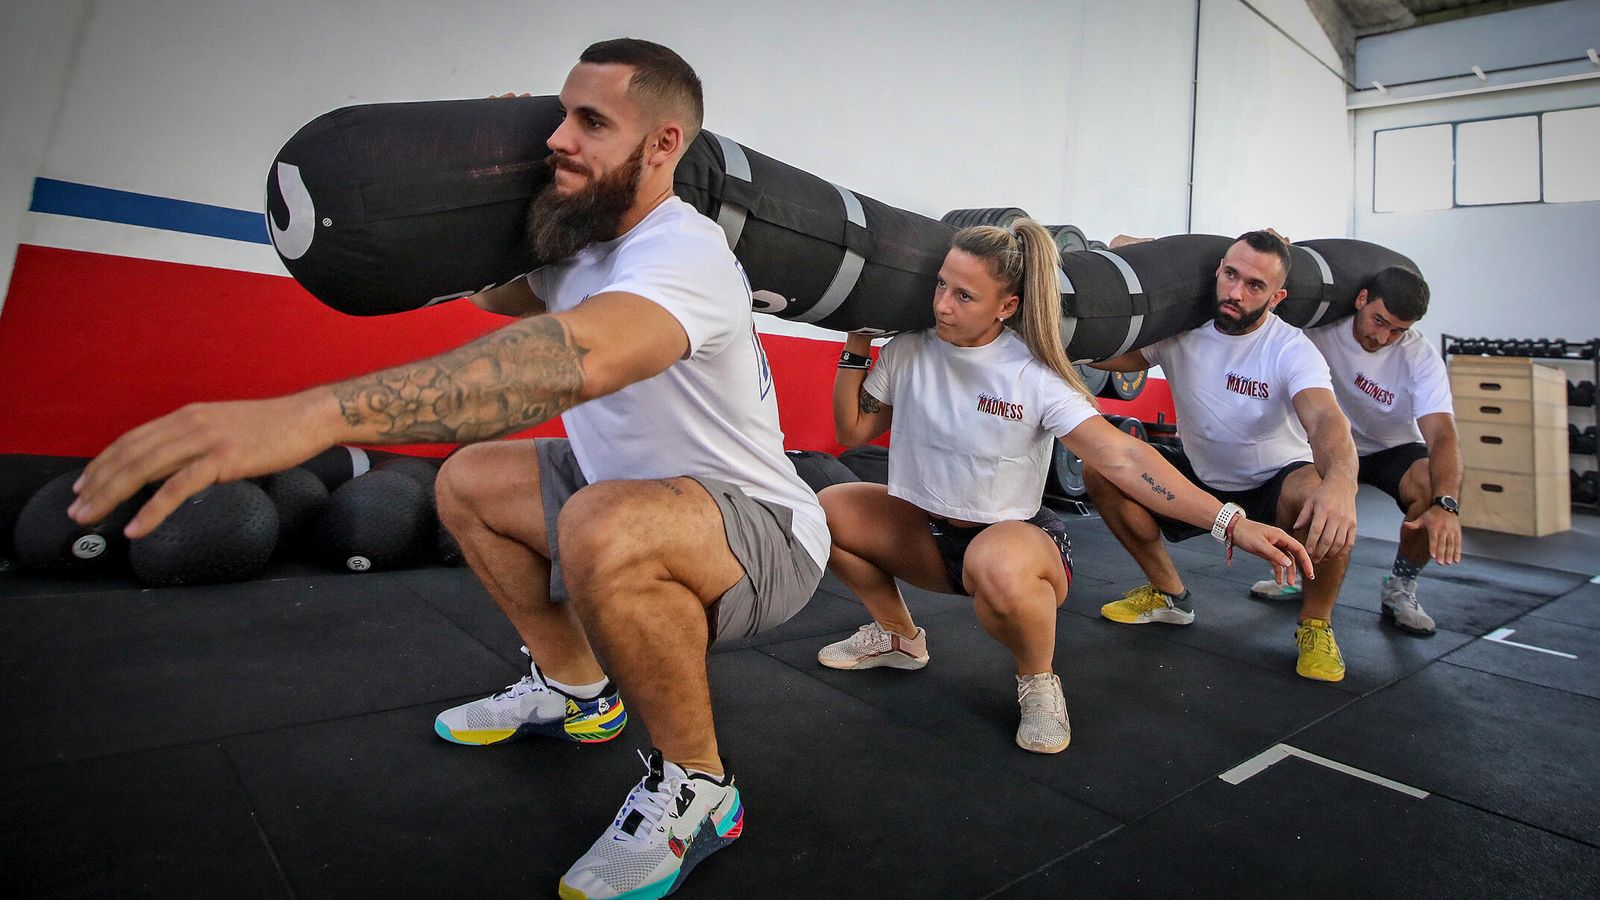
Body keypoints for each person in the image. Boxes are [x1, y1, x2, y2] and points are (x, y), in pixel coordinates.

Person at [67, 39, 827, 900]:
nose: (561, 139)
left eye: (592, 122)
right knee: (469, 481)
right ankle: (577, 691)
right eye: (559, 116)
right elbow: (494, 293)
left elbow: (574, 355)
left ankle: (700, 787)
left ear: (663, 145)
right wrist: (477, 176)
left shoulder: (681, 255)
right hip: (626, 490)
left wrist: (309, 414)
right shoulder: (578, 245)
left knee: (602, 527)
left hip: (762, 530)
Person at [818, 219, 1314, 753]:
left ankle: (1038, 682)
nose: (942, 305)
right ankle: (898, 637)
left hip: (1016, 542)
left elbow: (1123, 456)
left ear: (1006, 307)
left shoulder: (1032, 371)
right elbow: (854, 430)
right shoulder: (909, 351)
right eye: (941, 285)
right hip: (927, 530)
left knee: (995, 563)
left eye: (965, 295)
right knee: (827, 509)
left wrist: (1231, 522)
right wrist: (857, 344)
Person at [1084, 230, 1360, 682]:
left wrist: (1343, 483)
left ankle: (1316, 623)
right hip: (1199, 474)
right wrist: (1070, 316)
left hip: (1274, 480)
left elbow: (1325, 418)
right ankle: (1169, 596)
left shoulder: (1290, 348)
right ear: (1218, 270)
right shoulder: (1181, 331)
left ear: (1276, 297)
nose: (1235, 292)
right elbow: (1113, 357)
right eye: (1230, 275)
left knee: (1323, 500)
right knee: (1102, 471)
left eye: (1254, 285)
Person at [1249, 267, 1458, 636]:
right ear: (1361, 299)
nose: (1383, 336)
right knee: (1296, 487)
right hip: (1325, 443)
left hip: (1386, 447)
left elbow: (1441, 433)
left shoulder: (1420, 357)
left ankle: (1401, 588)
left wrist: (1447, 504)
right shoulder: (1318, 329)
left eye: (1397, 329)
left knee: (1431, 482)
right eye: (1378, 320)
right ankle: (1299, 573)